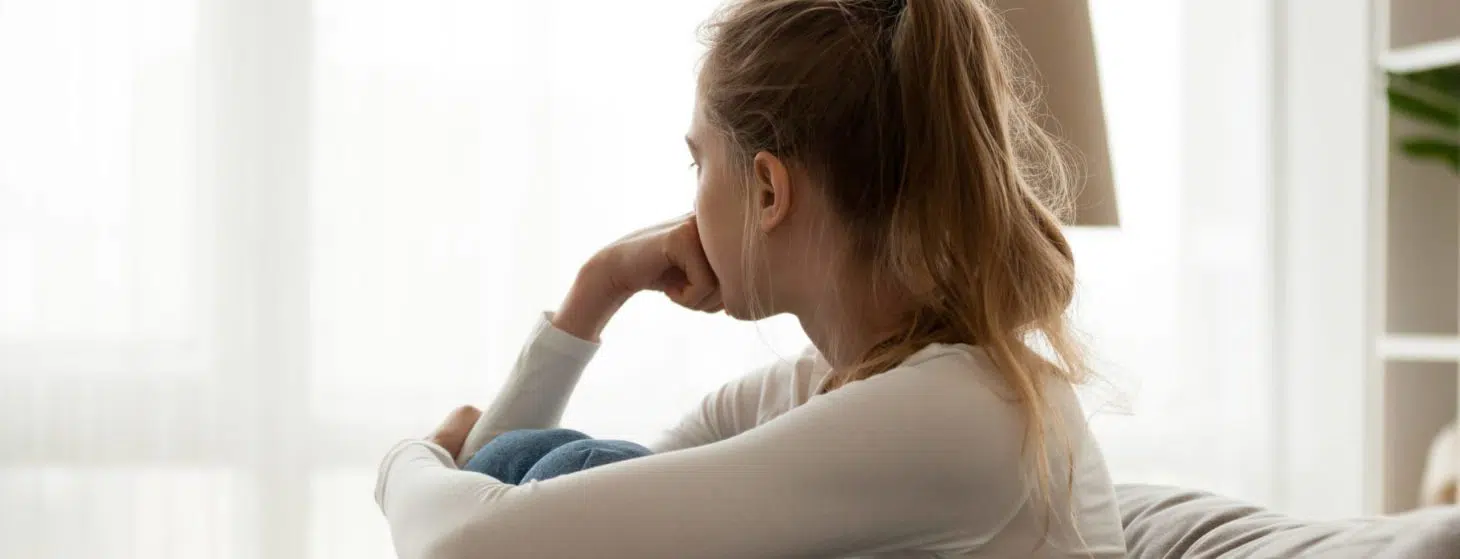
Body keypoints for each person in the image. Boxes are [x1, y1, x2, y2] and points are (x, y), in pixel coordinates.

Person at [374, 0, 1127, 556]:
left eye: (698, 162)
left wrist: (407, 461)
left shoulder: (962, 411)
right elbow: (539, 504)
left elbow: (466, 542)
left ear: (768, 191)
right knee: (562, 466)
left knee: (566, 467)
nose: (689, 198)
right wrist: (598, 287)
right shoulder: (818, 389)